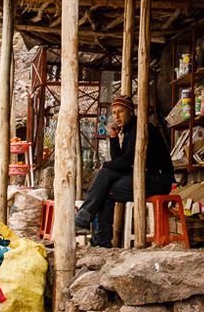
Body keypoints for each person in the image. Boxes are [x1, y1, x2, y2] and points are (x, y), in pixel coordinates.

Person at [74, 94, 174, 247]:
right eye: (114, 113)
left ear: (130, 112)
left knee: (105, 189)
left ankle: (98, 237)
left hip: (158, 180)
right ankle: (91, 229)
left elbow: (126, 162)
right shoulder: (127, 131)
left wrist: (106, 166)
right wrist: (114, 138)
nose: (117, 116)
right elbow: (119, 161)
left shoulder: (141, 129)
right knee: (105, 182)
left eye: (120, 112)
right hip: (142, 176)